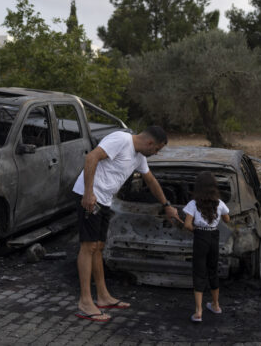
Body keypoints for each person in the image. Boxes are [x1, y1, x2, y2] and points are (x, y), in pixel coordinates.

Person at [73, 126, 181, 322]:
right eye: (156, 149)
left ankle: (103, 296)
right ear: (150, 143)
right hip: (89, 197)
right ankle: (85, 302)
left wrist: (166, 205)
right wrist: (88, 193)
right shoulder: (121, 140)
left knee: (98, 247)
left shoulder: (139, 158)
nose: (156, 153)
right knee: (88, 246)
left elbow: (151, 181)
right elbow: (91, 158)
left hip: (104, 200)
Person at [183, 171, 230, 322]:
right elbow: (227, 220)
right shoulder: (220, 203)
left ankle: (198, 311)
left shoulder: (193, 204)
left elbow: (187, 225)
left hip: (200, 237)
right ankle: (216, 305)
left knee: (199, 272)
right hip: (214, 237)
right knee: (212, 270)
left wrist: (196, 230)